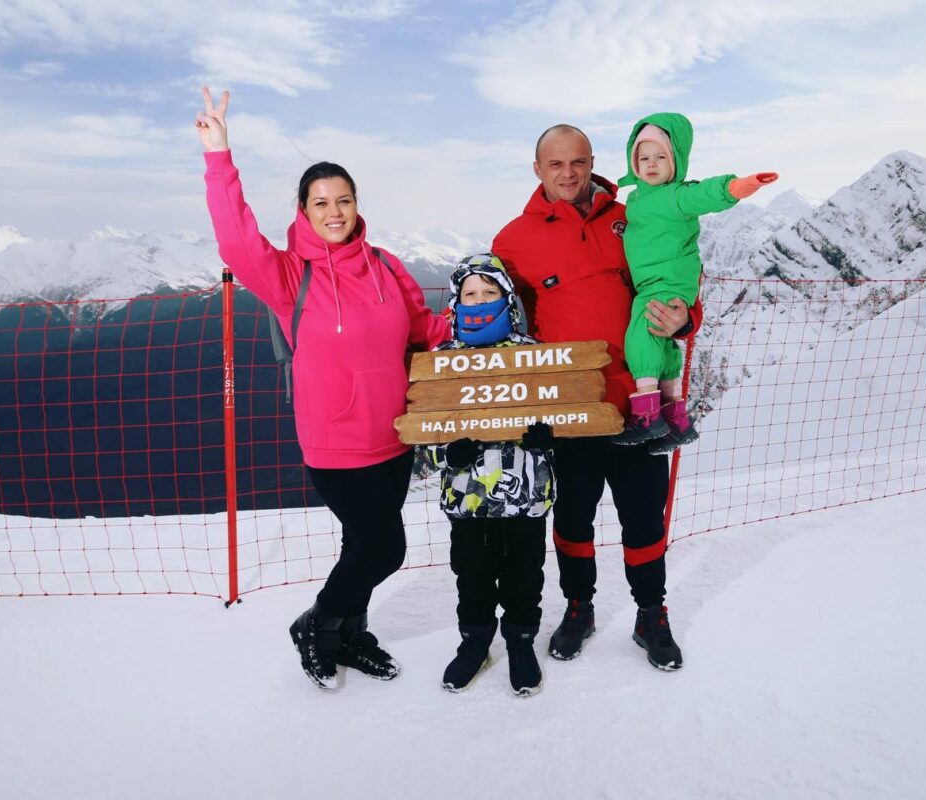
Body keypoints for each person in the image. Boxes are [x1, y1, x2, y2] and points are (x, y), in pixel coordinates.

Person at [195, 87, 450, 690]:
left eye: (343, 199)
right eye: (320, 203)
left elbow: (423, 327)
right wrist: (218, 156)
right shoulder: (290, 275)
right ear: (304, 211)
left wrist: (482, 330)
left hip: (394, 435)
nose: (334, 211)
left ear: (357, 204)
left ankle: (350, 635)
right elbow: (236, 241)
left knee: (358, 543)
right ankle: (316, 624)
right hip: (335, 441)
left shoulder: (386, 265)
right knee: (385, 549)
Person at [492, 124, 698, 670]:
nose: (568, 173)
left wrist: (684, 319)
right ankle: (579, 608)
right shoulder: (513, 240)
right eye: (555, 164)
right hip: (568, 407)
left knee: (644, 517)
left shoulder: (635, 217)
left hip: (639, 402)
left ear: (592, 162)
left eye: (577, 161)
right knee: (574, 516)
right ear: (537, 169)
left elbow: (673, 277)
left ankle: (651, 612)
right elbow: (499, 321)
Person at [421, 253, 556, 697]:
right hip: (468, 496)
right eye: (470, 294)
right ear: (456, 303)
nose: (479, 301)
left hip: (526, 495)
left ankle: (520, 641)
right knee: (472, 575)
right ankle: (475, 642)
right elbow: (423, 428)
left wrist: (548, 437)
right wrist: (447, 452)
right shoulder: (441, 361)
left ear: (507, 299)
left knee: (524, 574)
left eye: (489, 292)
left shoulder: (534, 356)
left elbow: (566, 412)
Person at [611, 112, 777, 451]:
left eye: (661, 157)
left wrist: (737, 186)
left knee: (640, 336)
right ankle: (676, 418)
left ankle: (646, 412)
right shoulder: (635, 198)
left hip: (663, 282)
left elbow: (705, 194)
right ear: (633, 161)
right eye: (643, 158)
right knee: (665, 343)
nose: (651, 164)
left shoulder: (676, 195)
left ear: (677, 161)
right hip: (662, 283)